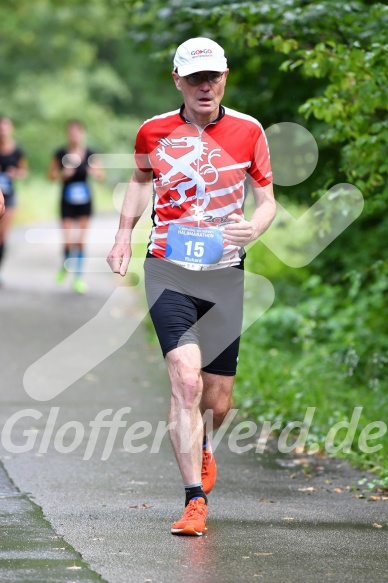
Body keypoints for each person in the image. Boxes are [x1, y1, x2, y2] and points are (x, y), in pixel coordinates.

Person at [107, 37, 276, 536]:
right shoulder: (153, 131)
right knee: (185, 380)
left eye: (214, 77)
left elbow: (266, 199)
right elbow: (140, 181)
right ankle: (193, 501)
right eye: (196, 78)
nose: (206, 86)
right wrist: (122, 236)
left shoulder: (249, 131)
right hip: (168, 267)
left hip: (225, 271)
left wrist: (257, 227)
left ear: (225, 78)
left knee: (218, 400)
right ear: (177, 80)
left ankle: (203, 444)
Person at [48, 120, 104, 293]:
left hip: (85, 201)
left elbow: (101, 175)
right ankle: (66, 264)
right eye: (71, 133)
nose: (74, 136)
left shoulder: (90, 153)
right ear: (67, 135)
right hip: (66, 201)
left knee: (79, 240)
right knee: (67, 241)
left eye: (77, 132)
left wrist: (94, 172)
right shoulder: (60, 153)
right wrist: (63, 175)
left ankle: (78, 278)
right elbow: (50, 175)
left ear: (82, 134)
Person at [0, 116, 28, 285]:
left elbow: (24, 172)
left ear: (11, 129)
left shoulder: (18, 151)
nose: (3, 130)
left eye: (5, 127)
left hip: (8, 197)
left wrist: (15, 173)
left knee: (2, 234)